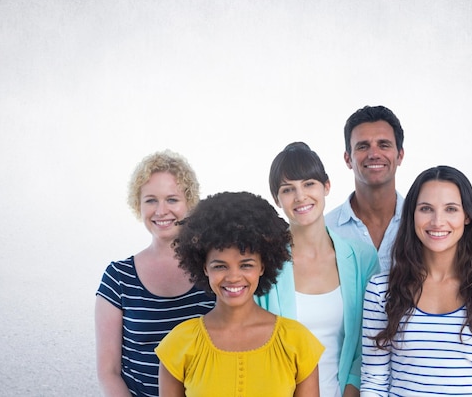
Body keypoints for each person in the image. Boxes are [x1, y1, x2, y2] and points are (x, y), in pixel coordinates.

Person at [362, 165, 472, 396]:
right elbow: (374, 383)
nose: (438, 221)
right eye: (426, 209)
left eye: (451, 209)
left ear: (467, 216)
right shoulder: (381, 289)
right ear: (412, 215)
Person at [156, 191, 324, 397]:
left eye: (246, 265)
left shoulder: (297, 342)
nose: (233, 277)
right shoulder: (179, 344)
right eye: (220, 266)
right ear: (204, 268)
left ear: (263, 266)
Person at [257, 142, 379, 397]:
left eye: (309, 184)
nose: (300, 196)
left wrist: (351, 390)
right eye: (288, 189)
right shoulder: (264, 263)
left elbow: (369, 343)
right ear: (277, 200)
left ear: (326, 186)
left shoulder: (362, 259)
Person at [95, 150, 214, 397]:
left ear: (189, 203)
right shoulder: (118, 277)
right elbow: (108, 371)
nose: (161, 211)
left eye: (172, 199)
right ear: (138, 205)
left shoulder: (215, 269)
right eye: (151, 200)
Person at [325, 105, 405, 273]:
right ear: (348, 159)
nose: (374, 154)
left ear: (400, 155)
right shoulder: (326, 231)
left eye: (384, 145)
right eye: (363, 146)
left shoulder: (422, 224)